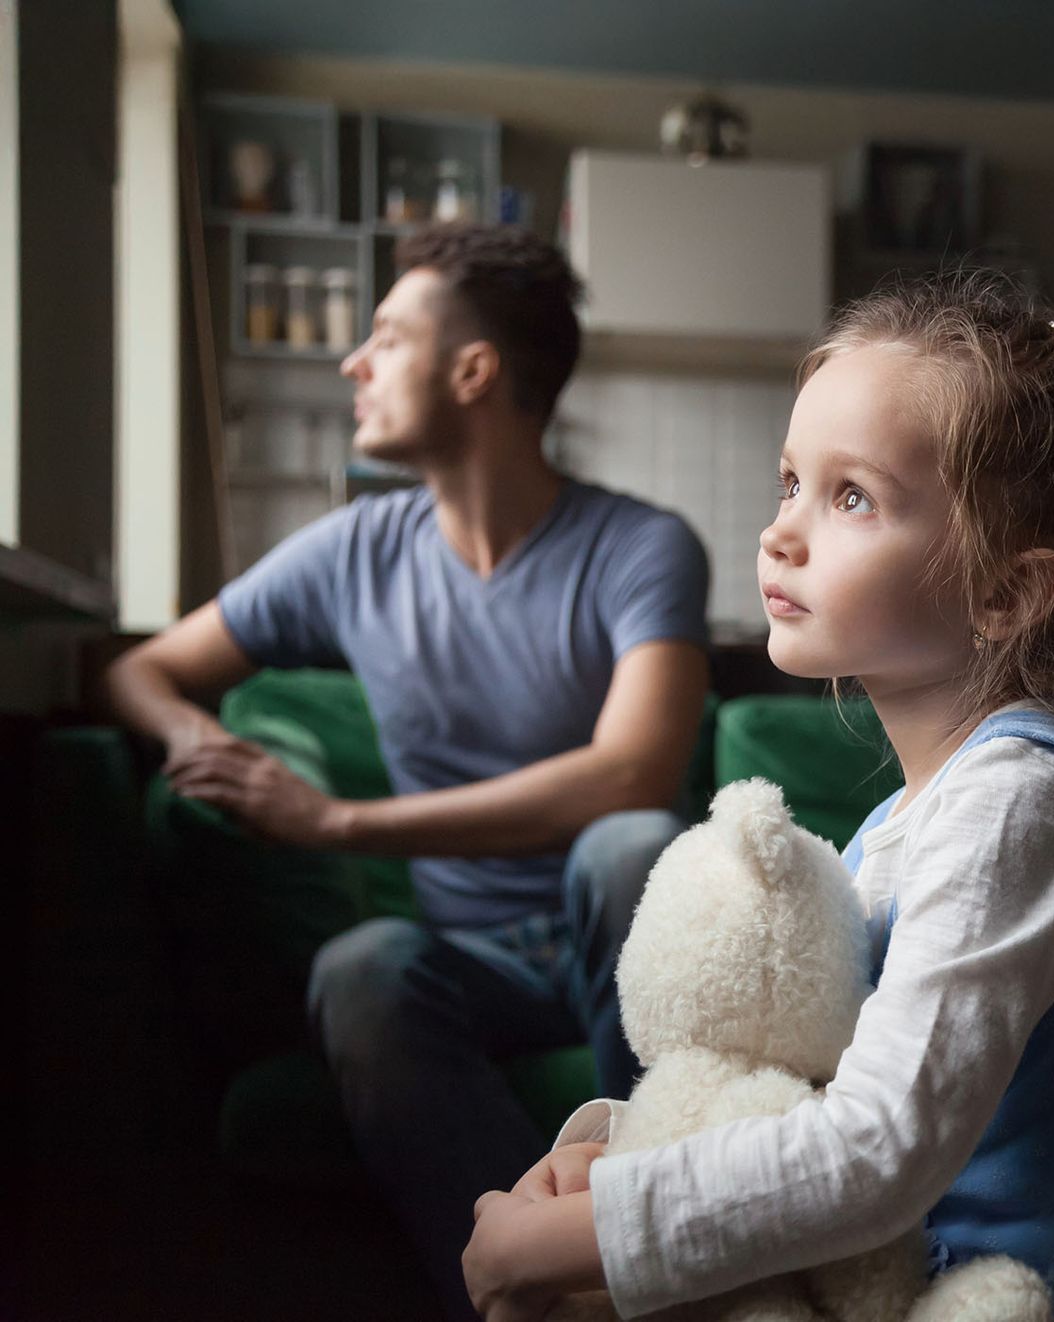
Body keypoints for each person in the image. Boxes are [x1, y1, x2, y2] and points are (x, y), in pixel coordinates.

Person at [460, 271, 1054, 1321]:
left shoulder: (1025, 805)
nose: (782, 531)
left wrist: (571, 1233)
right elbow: (805, 1092)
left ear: (1006, 592)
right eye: (789, 482)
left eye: (852, 495)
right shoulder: (897, 831)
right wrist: (606, 1159)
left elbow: (877, 1148)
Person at [106, 223, 711, 1319]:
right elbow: (143, 669)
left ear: (474, 371)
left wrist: (336, 820)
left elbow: (632, 774)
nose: (355, 362)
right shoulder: (355, 550)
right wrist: (195, 739)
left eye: (386, 337)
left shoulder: (641, 545)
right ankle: (534, 1289)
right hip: (472, 956)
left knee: (631, 849)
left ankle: (654, 1241)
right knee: (362, 963)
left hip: (610, 940)